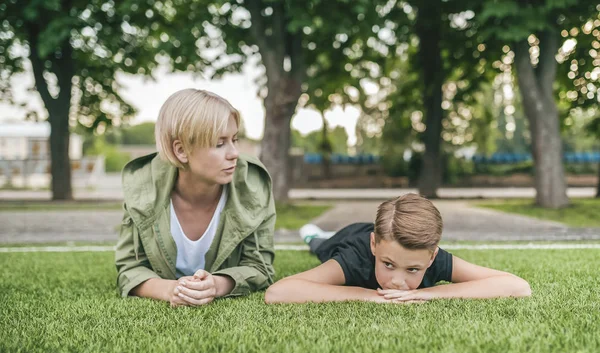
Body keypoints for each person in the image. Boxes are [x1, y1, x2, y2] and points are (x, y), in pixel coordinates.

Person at [115, 89, 276, 307]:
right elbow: (129, 268)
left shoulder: (253, 184)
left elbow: (260, 266)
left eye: (234, 140)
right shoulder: (142, 187)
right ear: (181, 150)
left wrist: (217, 285)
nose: (234, 153)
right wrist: (172, 290)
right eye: (219, 144)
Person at [265, 193, 531, 304]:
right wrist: (367, 295)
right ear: (375, 246)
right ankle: (313, 235)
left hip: (381, 237)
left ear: (431, 257)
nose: (397, 281)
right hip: (347, 237)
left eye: (413, 269)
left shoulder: (433, 257)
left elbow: (518, 286)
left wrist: (432, 294)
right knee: (319, 245)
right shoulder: (356, 256)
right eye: (388, 264)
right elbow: (278, 292)